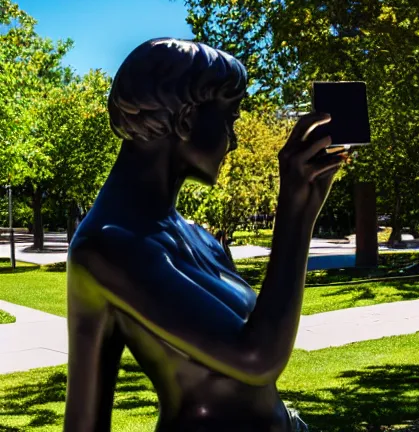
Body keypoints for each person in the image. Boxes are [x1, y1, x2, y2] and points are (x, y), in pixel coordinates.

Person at [63, 38, 345, 431]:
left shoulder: (201, 239)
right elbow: (256, 358)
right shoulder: (108, 247)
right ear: (185, 120)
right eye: (230, 118)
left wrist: (305, 204)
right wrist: (295, 216)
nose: (234, 140)